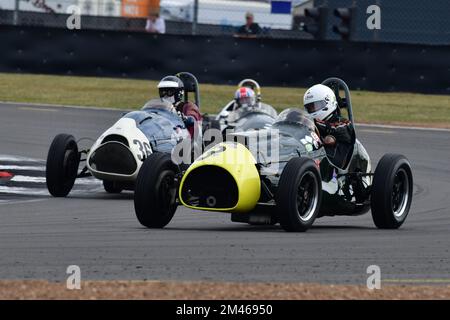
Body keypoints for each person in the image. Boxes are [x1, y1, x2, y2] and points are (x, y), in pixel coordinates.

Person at [303, 84, 355, 168]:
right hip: (309, 161)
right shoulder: (311, 123)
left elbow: (337, 128)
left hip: (333, 167)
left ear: (328, 102)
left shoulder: (344, 123)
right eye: (309, 108)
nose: (312, 110)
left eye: (315, 106)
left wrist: (317, 123)